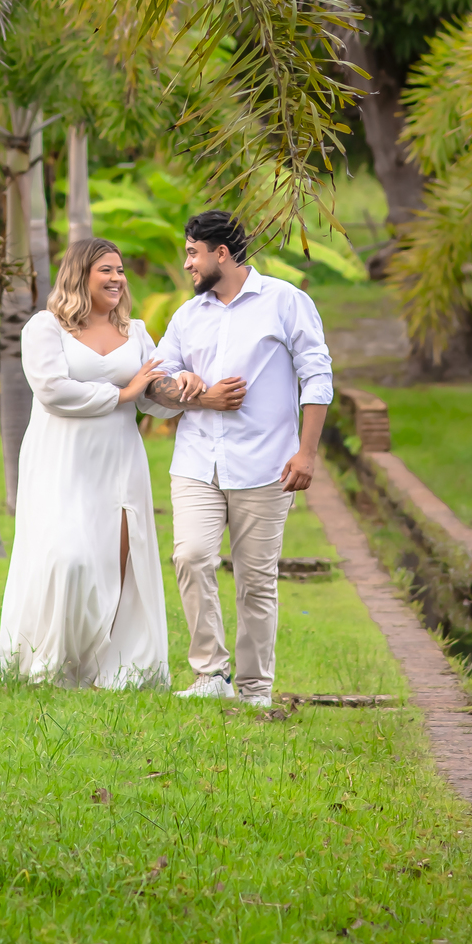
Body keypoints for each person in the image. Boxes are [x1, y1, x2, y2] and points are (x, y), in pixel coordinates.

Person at [146, 211, 333, 706]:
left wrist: (307, 453)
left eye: (192, 252)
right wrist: (192, 393)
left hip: (266, 466)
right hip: (196, 462)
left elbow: (317, 376)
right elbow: (157, 381)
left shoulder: (285, 301)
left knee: (255, 581)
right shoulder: (189, 316)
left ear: (221, 254)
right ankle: (210, 675)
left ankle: (254, 689)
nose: (187, 263)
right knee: (190, 556)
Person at [0, 237, 195, 688]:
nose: (117, 279)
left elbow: (155, 402)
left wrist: (179, 385)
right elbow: (51, 390)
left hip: (120, 460)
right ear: (79, 274)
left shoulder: (137, 333)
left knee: (117, 561)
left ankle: (116, 667)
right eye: (107, 269)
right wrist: (122, 394)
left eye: (121, 271)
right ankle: (52, 662)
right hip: (60, 459)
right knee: (67, 556)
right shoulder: (45, 328)